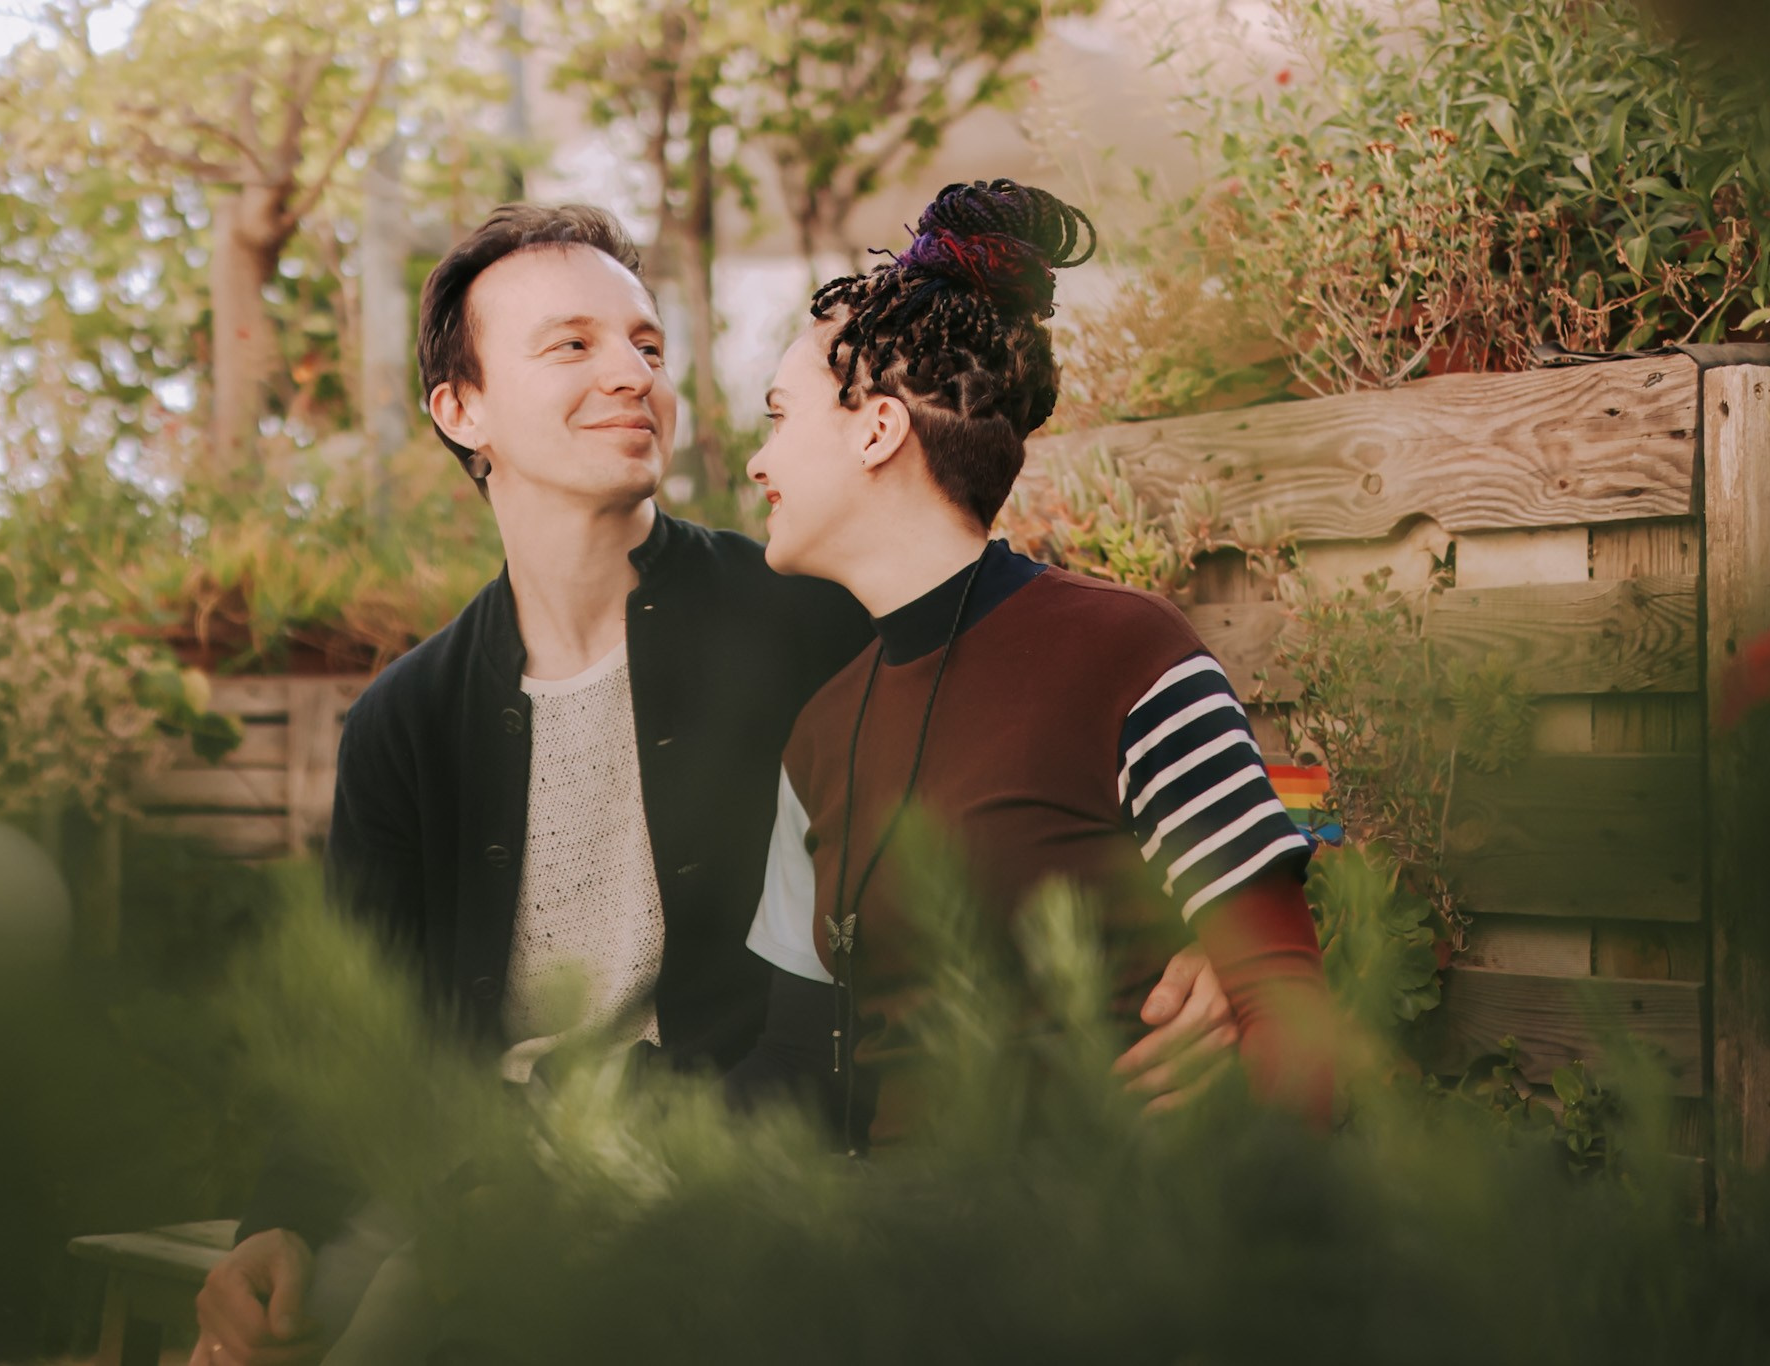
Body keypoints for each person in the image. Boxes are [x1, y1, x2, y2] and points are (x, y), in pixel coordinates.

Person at [191, 201, 1241, 1366]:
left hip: (724, 1159)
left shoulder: (808, 616)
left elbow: (1038, 706)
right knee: (282, 1326)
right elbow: (359, 1027)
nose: (630, 374)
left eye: (646, 344)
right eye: (572, 345)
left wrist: (1219, 944)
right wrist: (274, 1220)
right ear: (462, 409)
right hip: (458, 1171)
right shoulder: (406, 718)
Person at [736, 179, 1332, 1152]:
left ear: (876, 428)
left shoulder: (1126, 654)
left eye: (775, 417)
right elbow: (794, 1064)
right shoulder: (816, 733)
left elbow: (1291, 1024)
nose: (757, 464)